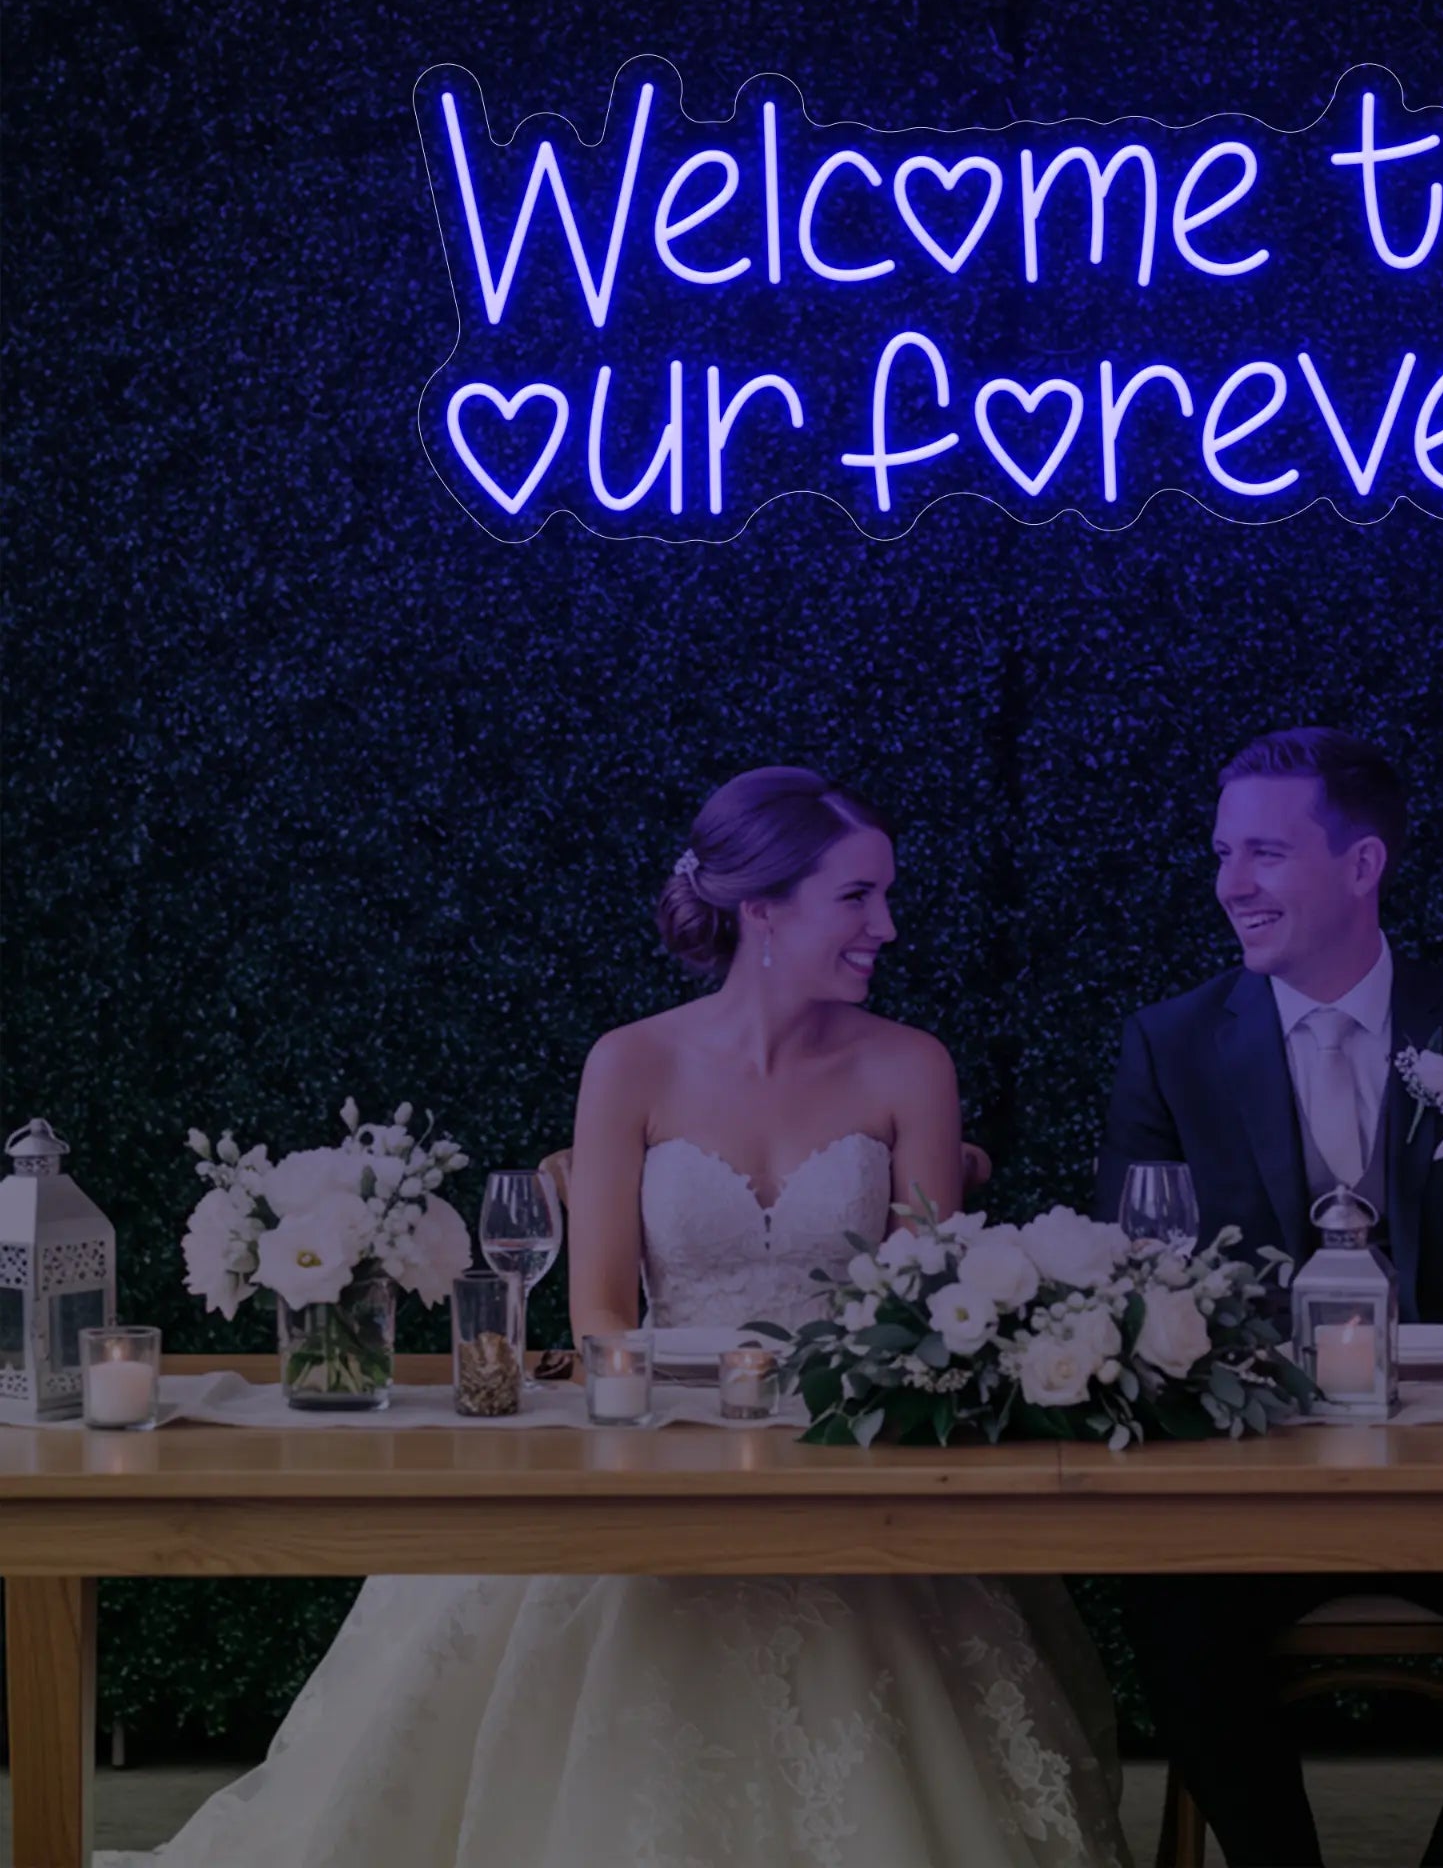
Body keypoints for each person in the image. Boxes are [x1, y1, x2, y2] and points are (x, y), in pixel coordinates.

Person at [120, 767, 1128, 1868]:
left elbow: (919, 1309)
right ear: (761, 908)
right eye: (857, 895)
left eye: (884, 895)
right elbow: (599, 1303)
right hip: (648, 1428)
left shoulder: (911, 1065)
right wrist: (673, 1425)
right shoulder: (631, 1061)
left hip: (843, 1451)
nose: (886, 923)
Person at [1094, 727, 1443, 1868]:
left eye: (1261, 853)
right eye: (1219, 853)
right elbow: (1139, 1279)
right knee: (1173, 1611)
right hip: (1253, 1486)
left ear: (1360, 865)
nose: (1228, 885)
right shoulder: (1170, 1045)